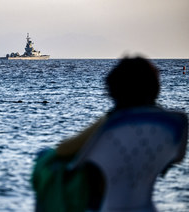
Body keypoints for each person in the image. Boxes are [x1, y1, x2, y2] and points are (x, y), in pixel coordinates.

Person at [54, 56, 188, 211]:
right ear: (155, 88)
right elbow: (178, 157)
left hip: (107, 207)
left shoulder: (112, 123)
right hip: (147, 207)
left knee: (46, 161)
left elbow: (62, 150)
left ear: (113, 90)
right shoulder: (174, 122)